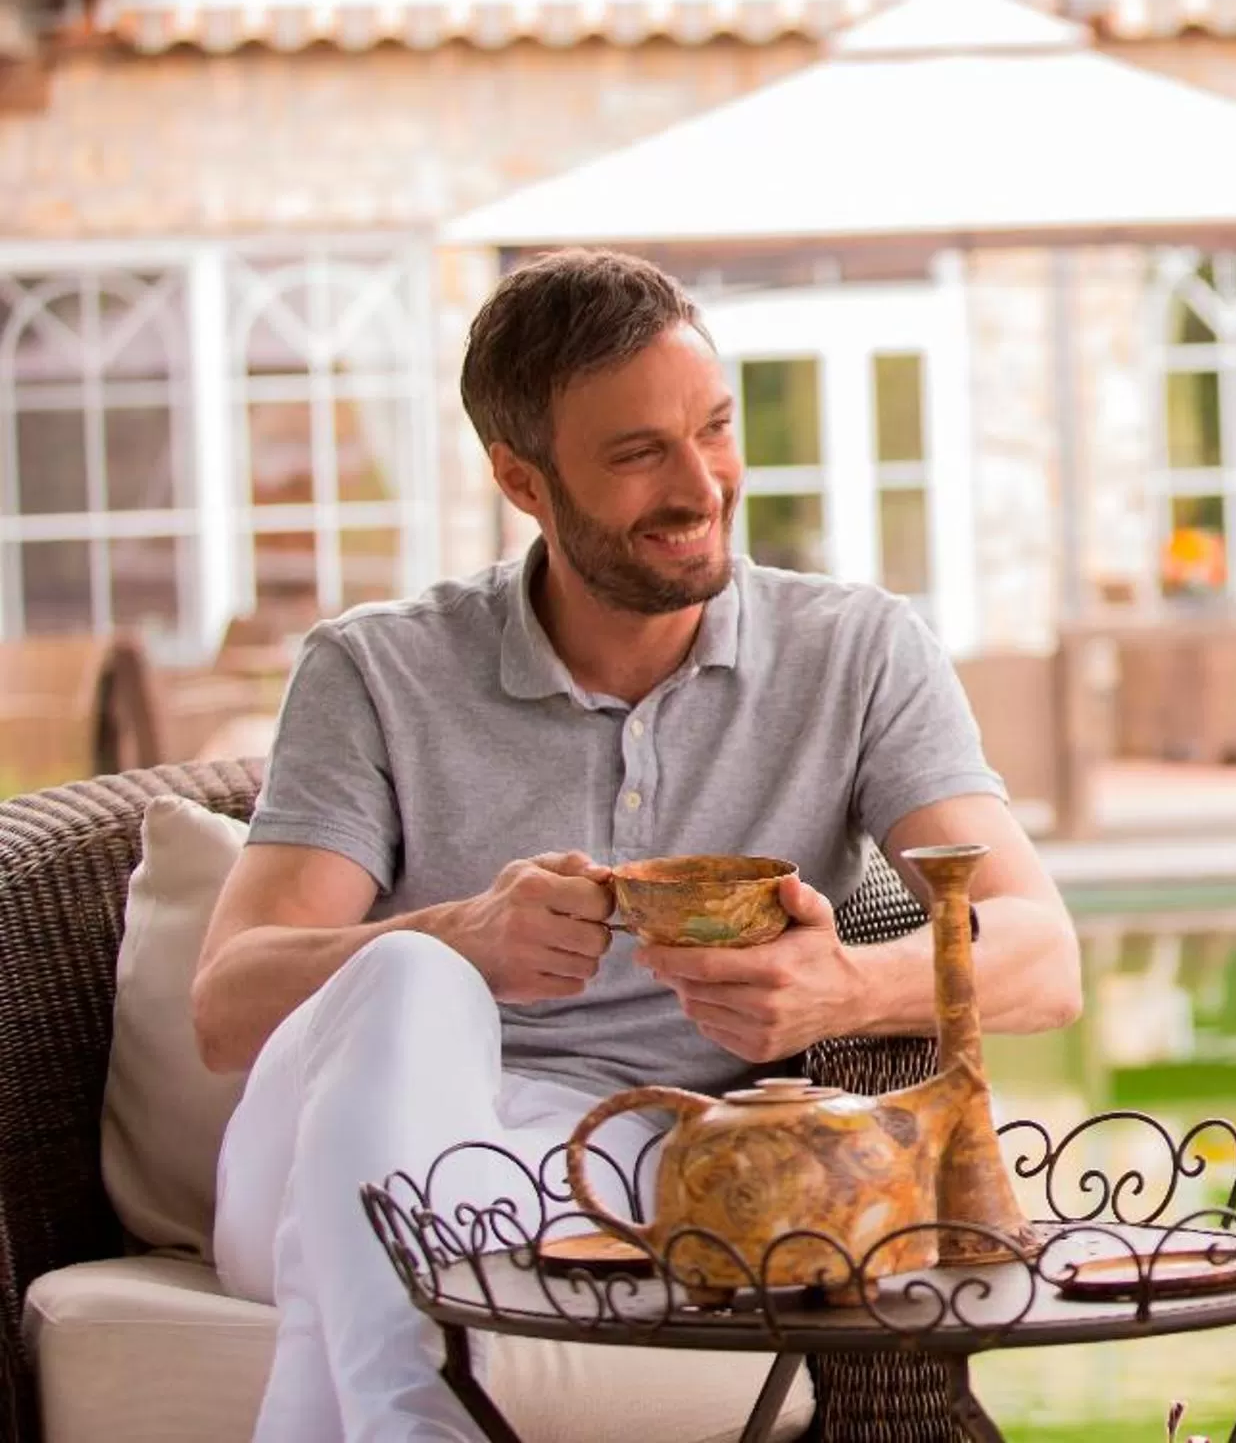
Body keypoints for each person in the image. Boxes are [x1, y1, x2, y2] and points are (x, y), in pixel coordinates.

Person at [194, 248, 1083, 1443]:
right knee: (408, 977)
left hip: (605, 1174)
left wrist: (840, 989)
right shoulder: (376, 670)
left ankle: (403, 1414)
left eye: (714, 428)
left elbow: (1043, 958)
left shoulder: (857, 652)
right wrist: (464, 938)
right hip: (323, 1145)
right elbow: (226, 1009)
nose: (700, 484)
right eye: (637, 454)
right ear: (521, 480)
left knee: (372, 1246)